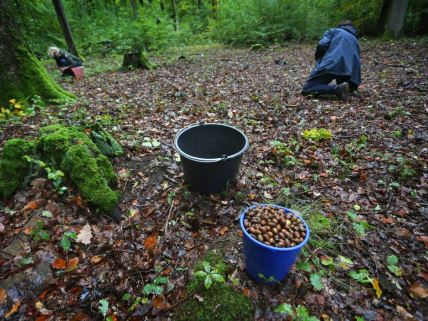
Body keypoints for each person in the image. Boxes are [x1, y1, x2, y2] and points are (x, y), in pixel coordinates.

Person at [301, 20, 361, 100]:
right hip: (350, 72)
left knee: (307, 89)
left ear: (340, 26)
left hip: (332, 63)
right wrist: (354, 85)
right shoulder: (355, 40)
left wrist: (319, 59)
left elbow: (322, 45)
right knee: (344, 82)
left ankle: (337, 89)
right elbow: (356, 61)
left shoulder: (333, 31)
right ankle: (348, 89)